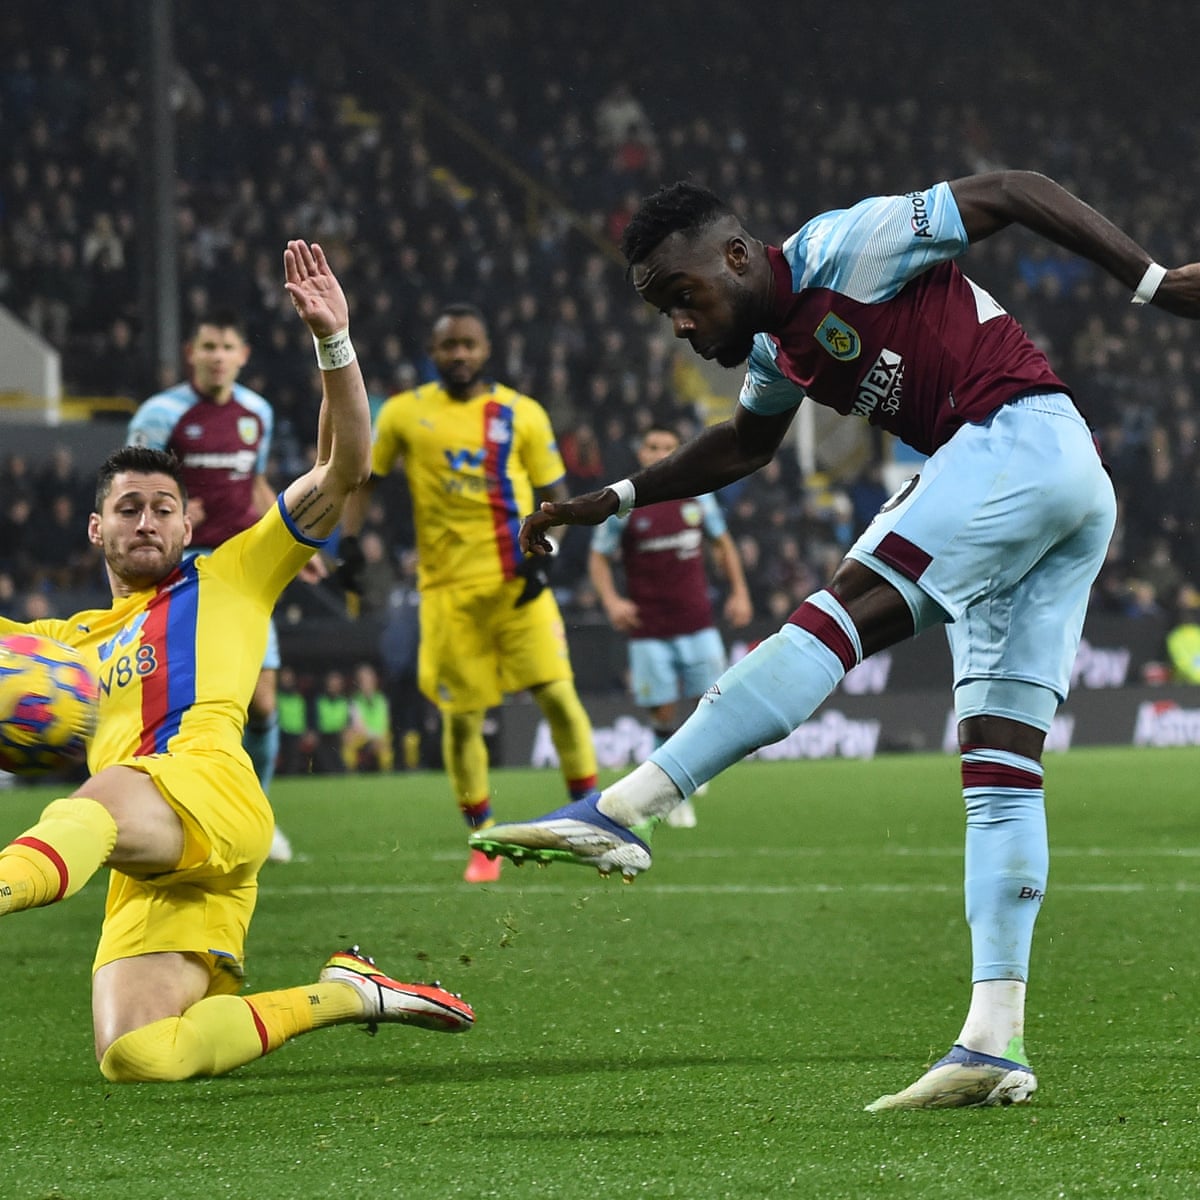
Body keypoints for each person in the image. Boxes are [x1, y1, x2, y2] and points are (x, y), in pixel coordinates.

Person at [473, 171, 1200, 1110]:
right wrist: (605, 500)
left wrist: (1150, 281)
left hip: (1016, 440)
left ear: (735, 255)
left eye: (680, 296)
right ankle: (993, 1040)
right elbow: (741, 446)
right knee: (1001, 771)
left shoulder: (847, 245)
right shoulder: (779, 351)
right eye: (663, 314)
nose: (681, 327)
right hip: (1062, 485)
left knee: (841, 610)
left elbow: (1014, 190)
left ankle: (627, 808)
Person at [0, 241, 474, 1083]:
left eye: (163, 509)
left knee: (103, 791)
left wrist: (336, 343)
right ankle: (346, 994)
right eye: (127, 509)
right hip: (144, 859)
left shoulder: (235, 572)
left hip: (208, 790)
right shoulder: (60, 642)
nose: (146, 521)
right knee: (140, 1058)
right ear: (96, 530)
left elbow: (346, 466)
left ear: (188, 528)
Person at [338, 302, 598, 884]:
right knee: (461, 720)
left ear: (486, 351)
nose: (459, 355)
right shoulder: (404, 414)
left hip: (517, 588)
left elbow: (558, 497)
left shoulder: (521, 414)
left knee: (558, 698)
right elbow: (365, 482)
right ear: (433, 354)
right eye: (448, 345)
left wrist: (546, 556)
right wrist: (349, 546)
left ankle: (591, 819)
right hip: (448, 593)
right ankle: (482, 841)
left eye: (468, 345)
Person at [127, 309, 298, 863]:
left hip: (244, 569)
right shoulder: (161, 413)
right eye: (208, 345)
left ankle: (259, 817)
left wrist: (288, 536)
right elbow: (126, 487)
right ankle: (166, 814)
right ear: (191, 354)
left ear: (242, 354)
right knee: (181, 703)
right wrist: (167, 504)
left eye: (227, 345)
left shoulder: (257, 413)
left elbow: (254, 484)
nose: (217, 355)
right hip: (179, 570)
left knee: (265, 703)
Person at [588, 422, 752, 827]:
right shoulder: (624, 504)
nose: (659, 452)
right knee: (661, 712)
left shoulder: (698, 494)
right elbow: (598, 556)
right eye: (651, 446)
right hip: (649, 627)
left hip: (696, 620)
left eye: (667, 446)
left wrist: (739, 592)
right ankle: (674, 790)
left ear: (681, 451)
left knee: (711, 702)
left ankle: (688, 770)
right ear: (640, 454)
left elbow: (723, 543)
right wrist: (611, 601)